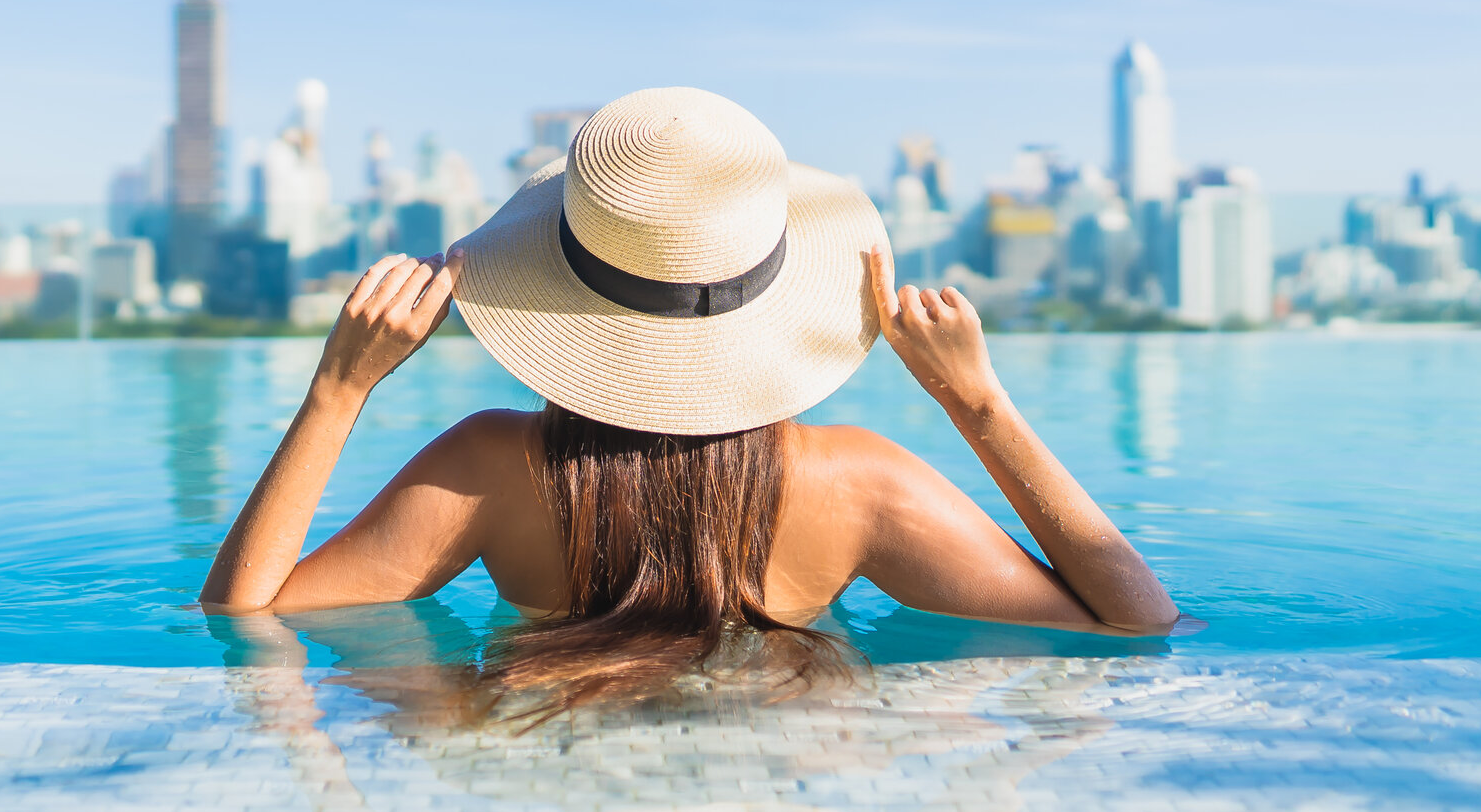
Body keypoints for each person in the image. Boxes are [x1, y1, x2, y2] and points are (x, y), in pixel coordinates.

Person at [199, 86, 1180, 713]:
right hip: (783, 772)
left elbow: (245, 618)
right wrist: (979, 406)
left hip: (544, 761)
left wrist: (339, 388)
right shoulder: (854, 484)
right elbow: (1134, 625)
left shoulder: (489, 469)